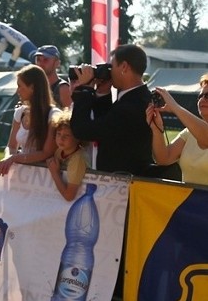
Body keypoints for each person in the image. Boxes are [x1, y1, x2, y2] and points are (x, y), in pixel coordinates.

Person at [70, 44, 176, 178]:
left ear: (124, 67)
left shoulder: (130, 106)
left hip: (124, 186)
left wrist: (85, 89)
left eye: (112, 66)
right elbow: (107, 124)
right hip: (125, 182)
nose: (110, 71)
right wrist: (104, 93)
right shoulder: (139, 98)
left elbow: (81, 130)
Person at [0, 64, 59, 175]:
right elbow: (11, 146)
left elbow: (46, 152)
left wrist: (14, 158)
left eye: (20, 86)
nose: (17, 91)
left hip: (45, 177)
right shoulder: (20, 112)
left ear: (33, 88)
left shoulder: (53, 115)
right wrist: (8, 159)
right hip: (21, 176)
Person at [147, 77, 208, 184]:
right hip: (190, 200)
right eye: (200, 96)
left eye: (207, 96)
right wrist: (156, 128)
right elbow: (163, 159)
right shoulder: (189, 133)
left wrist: (175, 107)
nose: (202, 99)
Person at [47, 111, 90, 201]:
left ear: (77, 138)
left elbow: (69, 196)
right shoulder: (59, 151)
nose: (61, 139)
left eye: (67, 135)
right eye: (59, 134)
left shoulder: (78, 160)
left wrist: (54, 172)